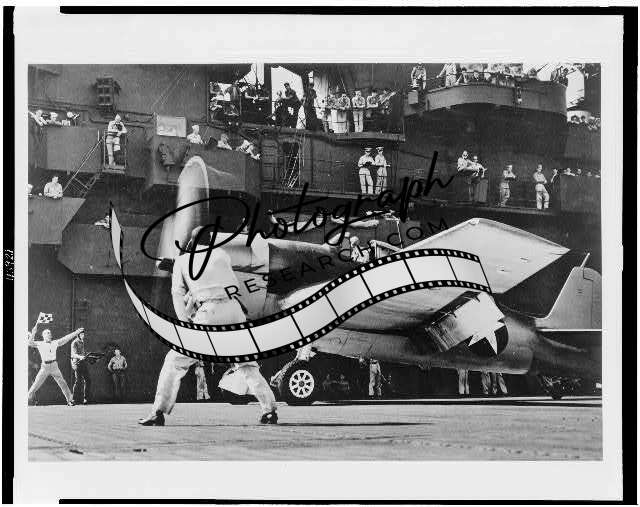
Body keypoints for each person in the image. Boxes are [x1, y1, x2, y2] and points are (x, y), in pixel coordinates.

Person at [138, 226, 278, 426]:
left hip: (210, 312)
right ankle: (270, 410)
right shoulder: (222, 255)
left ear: (190, 243)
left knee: (174, 361)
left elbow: (177, 294)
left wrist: (185, 324)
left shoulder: (182, 261)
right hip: (234, 310)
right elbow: (228, 282)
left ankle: (157, 412)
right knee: (246, 365)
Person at [27, 321, 84, 406]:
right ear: (43, 336)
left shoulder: (55, 343)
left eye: (49, 333)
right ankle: (26, 399)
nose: (49, 334)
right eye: (46, 333)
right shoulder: (40, 344)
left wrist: (76, 332)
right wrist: (33, 333)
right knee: (36, 384)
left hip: (54, 366)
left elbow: (66, 338)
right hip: (44, 367)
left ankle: (70, 400)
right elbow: (29, 343)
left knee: (63, 383)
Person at [70, 330, 91, 404]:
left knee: (88, 380)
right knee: (78, 381)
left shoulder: (83, 342)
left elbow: (84, 353)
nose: (83, 336)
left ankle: (86, 399)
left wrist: (91, 357)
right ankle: (73, 399)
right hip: (77, 363)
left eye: (83, 334)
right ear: (78, 335)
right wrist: (80, 357)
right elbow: (74, 354)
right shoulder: (75, 342)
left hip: (83, 363)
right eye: (81, 334)